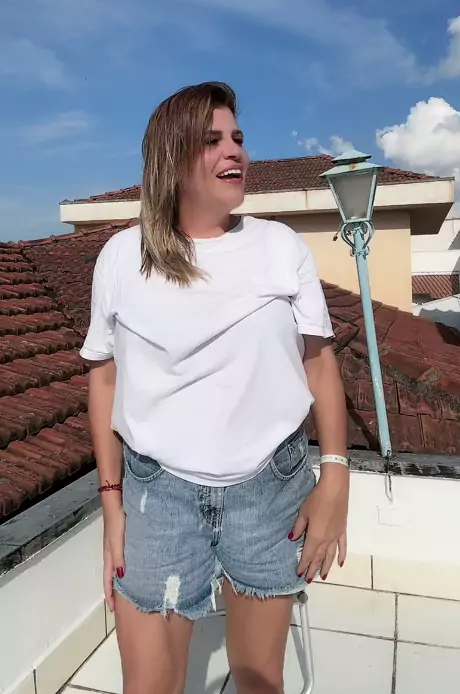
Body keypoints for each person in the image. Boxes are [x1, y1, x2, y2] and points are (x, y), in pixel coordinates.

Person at [80, 81, 349, 694]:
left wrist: (335, 476)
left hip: (269, 491)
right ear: (170, 158)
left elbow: (319, 364)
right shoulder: (122, 257)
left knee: (259, 680)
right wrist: (112, 504)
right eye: (212, 140)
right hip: (158, 498)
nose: (235, 151)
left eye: (237, 137)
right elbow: (104, 377)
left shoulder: (279, 246)